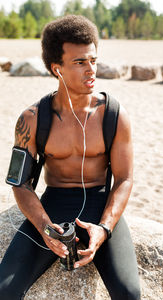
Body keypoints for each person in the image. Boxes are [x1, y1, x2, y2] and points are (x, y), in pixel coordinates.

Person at [0, 15, 141, 300]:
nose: (91, 70)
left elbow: (124, 179)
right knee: (4, 290)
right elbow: (20, 183)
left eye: (93, 60)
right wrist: (44, 228)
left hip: (101, 207)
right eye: (79, 63)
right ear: (57, 69)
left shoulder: (114, 115)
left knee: (129, 293)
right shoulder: (32, 119)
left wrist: (104, 228)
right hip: (53, 206)